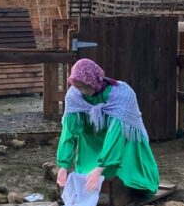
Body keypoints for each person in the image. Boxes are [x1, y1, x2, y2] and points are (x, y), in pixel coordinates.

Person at [56, 58, 159, 194]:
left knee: (124, 177)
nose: (82, 91)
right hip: (92, 140)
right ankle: (93, 173)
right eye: (78, 87)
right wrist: (63, 165)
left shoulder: (121, 94)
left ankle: (128, 182)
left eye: (84, 87)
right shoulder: (74, 96)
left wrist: (100, 168)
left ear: (93, 82)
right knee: (88, 178)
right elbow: (68, 132)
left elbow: (116, 134)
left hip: (122, 141)